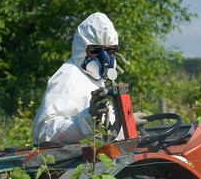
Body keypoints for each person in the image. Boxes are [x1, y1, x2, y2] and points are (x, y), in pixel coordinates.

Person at [32, 12, 147, 145]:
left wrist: (125, 123)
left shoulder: (92, 78)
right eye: (96, 51)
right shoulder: (68, 78)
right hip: (71, 163)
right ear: (82, 49)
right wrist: (89, 119)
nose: (105, 58)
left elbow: (106, 132)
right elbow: (44, 131)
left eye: (110, 51)